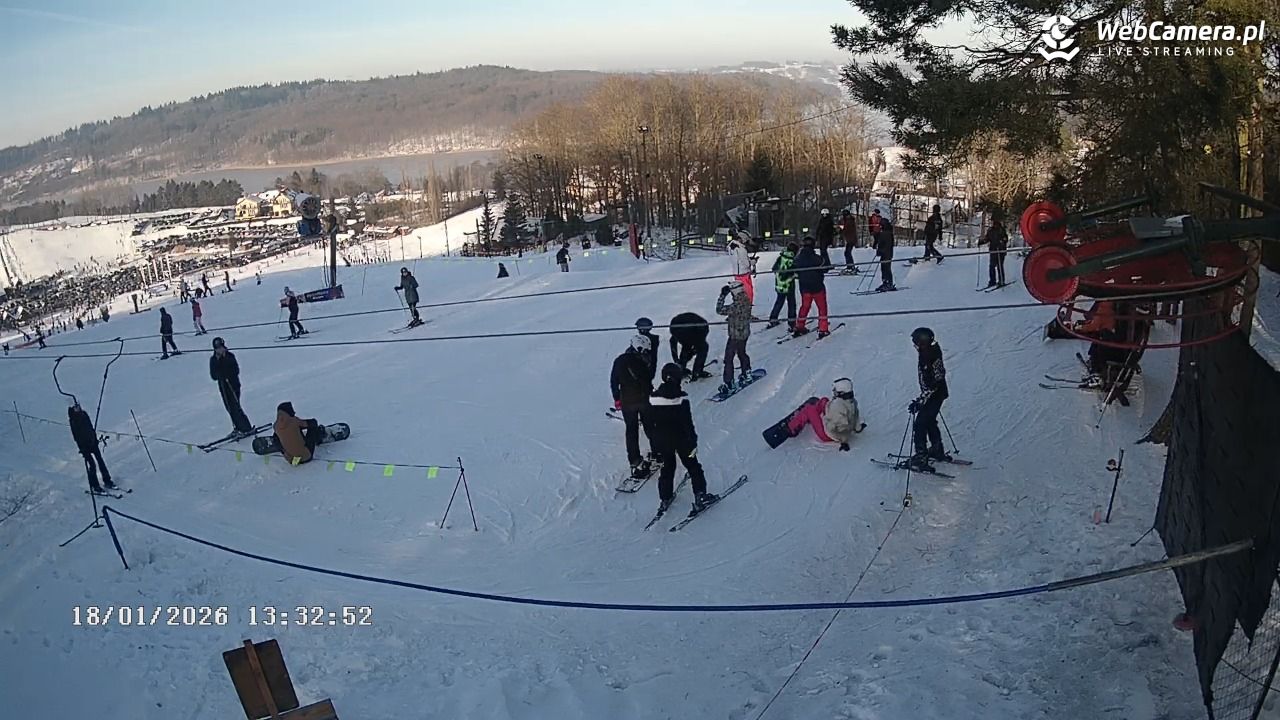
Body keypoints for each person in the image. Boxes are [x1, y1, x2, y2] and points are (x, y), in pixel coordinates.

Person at [645, 363, 718, 515]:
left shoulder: (653, 398)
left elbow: (649, 424)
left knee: (667, 468)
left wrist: (654, 445)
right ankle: (700, 496)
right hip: (682, 441)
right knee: (693, 466)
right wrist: (693, 441)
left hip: (662, 442)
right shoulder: (681, 397)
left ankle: (665, 498)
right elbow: (687, 422)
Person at [611, 334, 658, 479]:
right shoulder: (642, 362)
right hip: (643, 400)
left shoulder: (619, 360)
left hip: (627, 402)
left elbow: (613, 381)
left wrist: (617, 399)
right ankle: (657, 452)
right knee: (650, 426)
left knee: (631, 431)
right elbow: (647, 380)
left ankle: (635, 461)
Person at [770, 378, 864, 450]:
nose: (834, 392)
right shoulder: (852, 402)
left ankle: (790, 429)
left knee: (809, 409)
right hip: (834, 416)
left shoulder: (837, 407)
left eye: (835, 391)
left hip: (828, 434)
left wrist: (843, 441)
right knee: (824, 400)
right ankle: (811, 414)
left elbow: (838, 427)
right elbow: (855, 416)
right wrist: (858, 428)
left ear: (841, 392)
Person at [907, 327, 949, 471]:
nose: (915, 346)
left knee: (920, 425)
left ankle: (921, 457)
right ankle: (937, 449)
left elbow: (932, 384)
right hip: (938, 394)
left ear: (922, 343)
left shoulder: (927, 357)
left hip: (934, 395)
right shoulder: (930, 351)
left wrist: (920, 402)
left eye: (916, 342)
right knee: (929, 421)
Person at [209, 337, 255, 435]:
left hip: (233, 385)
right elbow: (213, 375)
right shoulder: (213, 360)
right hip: (223, 387)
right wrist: (218, 364)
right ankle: (238, 427)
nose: (220, 350)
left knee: (235, 406)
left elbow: (236, 370)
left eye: (221, 348)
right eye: (217, 348)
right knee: (229, 408)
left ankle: (246, 427)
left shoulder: (230, 356)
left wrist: (225, 368)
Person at [715, 277, 752, 396]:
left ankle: (729, 382)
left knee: (728, 359)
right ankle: (747, 372)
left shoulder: (736, 306)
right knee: (742, 353)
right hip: (744, 333)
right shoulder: (746, 299)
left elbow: (719, 310)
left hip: (735, 336)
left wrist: (722, 296)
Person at [69, 400, 116, 493]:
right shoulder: (73, 420)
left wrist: (94, 438)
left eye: (78, 406)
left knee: (100, 461)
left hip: (93, 442)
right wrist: (81, 447)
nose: (78, 408)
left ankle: (107, 481)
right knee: (92, 465)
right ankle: (95, 485)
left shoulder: (84, 414)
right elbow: (76, 436)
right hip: (84, 446)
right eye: (75, 407)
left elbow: (90, 427)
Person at [792, 236, 831, 338]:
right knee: (822, 307)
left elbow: (794, 269)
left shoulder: (798, 259)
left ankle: (799, 326)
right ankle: (823, 328)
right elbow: (826, 267)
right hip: (817, 286)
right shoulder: (817, 259)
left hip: (804, 287)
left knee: (804, 307)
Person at [669, 311, 711, 380]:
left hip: (676, 326)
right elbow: (700, 344)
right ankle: (697, 372)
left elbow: (672, 341)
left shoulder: (700, 325)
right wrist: (694, 350)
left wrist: (676, 360)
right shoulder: (703, 329)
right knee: (703, 348)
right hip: (683, 328)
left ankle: (680, 368)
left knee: (686, 347)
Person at [767, 242, 798, 330]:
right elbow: (795, 272)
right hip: (789, 285)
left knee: (779, 302)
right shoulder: (793, 260)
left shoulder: (781, 258)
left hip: (779, 285)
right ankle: (792, 323)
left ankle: (773, 319)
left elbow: (774, 269)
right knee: (791, 304)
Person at [979, 211, 1009, 288]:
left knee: (999, 266)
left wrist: (1002, 242)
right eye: (992, 222)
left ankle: (1001, 280)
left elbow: (1005, 238)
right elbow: (987, 238)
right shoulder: (990, 230)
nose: (993, 224)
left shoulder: (1001, 230)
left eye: (994, 222)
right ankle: (992, 281)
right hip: (993, 250)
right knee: (992, 266)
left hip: (1000, 251)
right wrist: (982, 242)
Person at [729, 233, 756, 303]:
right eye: (745, 240)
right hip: (744, 273)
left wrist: (748, 259)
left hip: (737, 273)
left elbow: (739, 260)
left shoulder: (732, 247)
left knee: (740, 293)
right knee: (748, 293)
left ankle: (742, 309)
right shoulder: (741, 249)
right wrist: (753, 261)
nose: (746, 242)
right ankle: (748, 309)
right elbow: (746, 264)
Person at [874, 212, 896, 291]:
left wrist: (880, 251)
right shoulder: (885, 233)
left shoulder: (886, 233)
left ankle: (888, 283)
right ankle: (885, 282)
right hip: (885, 254)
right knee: (884, 268)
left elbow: (886, 245)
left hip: (887, 254)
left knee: (886, 268)